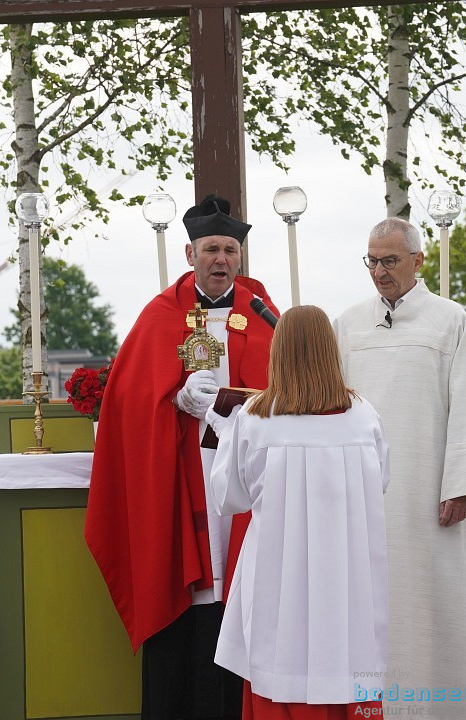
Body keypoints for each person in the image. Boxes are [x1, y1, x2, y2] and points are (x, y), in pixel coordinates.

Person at [85, 195, 279, 720]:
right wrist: (176, 398)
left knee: (236, 589)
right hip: (182, 473)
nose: (222, 260)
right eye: (212, 249)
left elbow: (286, 385)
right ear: (190, 252)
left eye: (231, 250)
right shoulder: (161, 315)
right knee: (192, 598)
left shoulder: (261, 312)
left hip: (245, 479)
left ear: (241, 257)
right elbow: (129, 399)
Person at [334, 217, 466, 719]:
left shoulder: (448, 319)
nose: (379, 271)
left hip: (431, 497)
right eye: (371, 260)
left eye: (389, 260)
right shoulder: (347, 324)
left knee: (440, 605)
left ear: (417, 261)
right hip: (367, 498)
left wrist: (461, 483)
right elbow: (332, 407)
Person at [208, 305, 389, 720]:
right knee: (349, 660)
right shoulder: (365, 416)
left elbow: (228, 497)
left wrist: (224, 431)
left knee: (279, 663)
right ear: (330, 350)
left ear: (279, 351)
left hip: (280, 581)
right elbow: (380, 480)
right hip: (347, 581)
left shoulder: (255, 420)